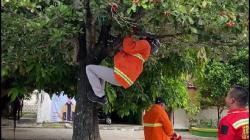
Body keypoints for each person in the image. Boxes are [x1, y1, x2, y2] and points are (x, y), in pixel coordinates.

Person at [86, 34, 160, 105]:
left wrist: (128, 35)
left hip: (120, 75)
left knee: (89, 69)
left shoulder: (146, 45)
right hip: (123, 79)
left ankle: (100, 95)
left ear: (150, 40)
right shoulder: (143, 54)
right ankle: (100, 94)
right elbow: (127, 52)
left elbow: (128, 47)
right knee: (100, 72)